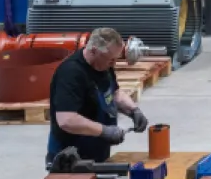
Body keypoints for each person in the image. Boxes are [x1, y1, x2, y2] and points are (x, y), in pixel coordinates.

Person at [47, 28, 144, 171]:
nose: (113, 64)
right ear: (93, 51)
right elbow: (66, 119)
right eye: (111, 60)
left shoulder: (104, 65)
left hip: (97, 154)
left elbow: (114, 92)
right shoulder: (70, 74)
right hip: (70, 159)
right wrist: (104, 131)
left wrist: (133, 110)